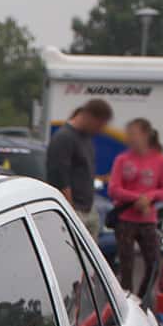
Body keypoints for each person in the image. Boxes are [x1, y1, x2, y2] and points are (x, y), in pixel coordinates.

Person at [108, 118, 163, 294]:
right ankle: (126, 301)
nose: (130, 138)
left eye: (133, 134)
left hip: (148, 220)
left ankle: (142, 299)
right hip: (125, 220)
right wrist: (137, 198)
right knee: (126, 267)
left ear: (145, 135)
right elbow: (113, 189)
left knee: (154, 263)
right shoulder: (122, 160)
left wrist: (150, 198)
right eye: (128, 134)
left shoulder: (160, 161)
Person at [47, 98, 111, 235]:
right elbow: (59, 175)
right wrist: (70, 210)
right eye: (99, 125)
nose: (100, 131)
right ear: (90, 117)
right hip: (75, 210)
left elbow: (82, 171)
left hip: (88, 208)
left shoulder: (86, 138)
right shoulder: (64, 138)